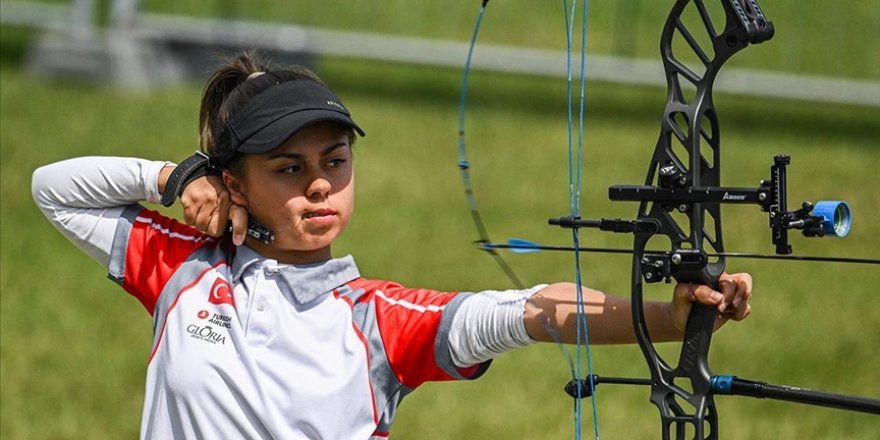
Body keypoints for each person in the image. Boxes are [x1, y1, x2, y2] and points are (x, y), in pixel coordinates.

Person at [32, 52, 752, 439]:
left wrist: (666, 317)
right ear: (235, 185)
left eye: (335, 162)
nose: (320, 186)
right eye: (289, 169)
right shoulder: (182, 268)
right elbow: (51, 187)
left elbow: (535, 311)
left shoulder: (377, 320)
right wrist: (173, 174)